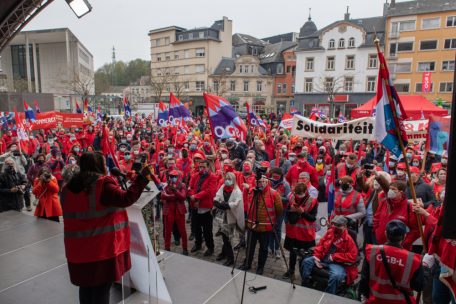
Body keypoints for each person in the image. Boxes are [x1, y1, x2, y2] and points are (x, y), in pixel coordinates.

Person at [61, 152, 150, 304]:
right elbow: (125, 198)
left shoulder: (67, 188)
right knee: (101, 290)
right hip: (101, 250)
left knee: (86, 287)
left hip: (77, 250)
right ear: (99, 165)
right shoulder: (102, 185)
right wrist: (142, 179)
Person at [359, 220, 424, 304]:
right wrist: (425, 269)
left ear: (386, 234)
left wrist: (363, 296)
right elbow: (419, 286)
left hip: (375, 300)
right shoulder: (413, 259)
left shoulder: (372, 251)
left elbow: (364, 279)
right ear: (404, 237)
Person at [300, 215, 358, 295]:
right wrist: (317, 256)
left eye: (338, 225)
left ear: (344, 226)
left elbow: (353, 256)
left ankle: (329, 296)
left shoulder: (349, 240)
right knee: (306, 261)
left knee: (336, 276)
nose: (335, 227)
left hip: (337, 264)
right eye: (334, 224)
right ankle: (305, 286)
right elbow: (320, 245)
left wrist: (335, 256)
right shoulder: (330, 232)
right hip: (323, 258)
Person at [239, 175, 283, 275]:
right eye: (259, 182)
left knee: (263, 248)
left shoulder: (274, 194)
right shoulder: (252, 191)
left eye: (263, 181)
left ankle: (260, 267)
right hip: (252, 225)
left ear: (267, 182)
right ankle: (247, 263)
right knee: (250, 247)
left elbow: (279, 210)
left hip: (265, 227)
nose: (261, 183)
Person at [283, 183, 318, 280]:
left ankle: (304, 273)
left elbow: (313, 218)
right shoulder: (291, 197)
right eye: (296, 194)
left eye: (300, 194)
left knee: (304, 255)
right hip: (293, 232)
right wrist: (290, 210)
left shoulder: (313, 201)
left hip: (305, 234)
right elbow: (286, 211)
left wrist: (302, 213)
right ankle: (291, 271)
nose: (298, 196)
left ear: (305, 192)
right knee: (292, 253)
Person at [213, 172, 244, 266]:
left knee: (227, 238)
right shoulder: (223, 187)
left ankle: (231, 258)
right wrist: (217, 203)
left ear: (234, 180)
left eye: (229, 179)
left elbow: (236, 203)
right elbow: (217, 197)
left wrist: (226, 205)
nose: (227, 180)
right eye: (226, 178)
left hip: (232, 217)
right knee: (224, 235)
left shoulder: (237, 191)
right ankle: (224, 253)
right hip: (223, 216)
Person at [188, 159, 217, 256]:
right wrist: (193, 197)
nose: (201, 168)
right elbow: (191, 187)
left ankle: (210, 247)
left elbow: (209, 191)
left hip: (206, 207)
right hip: (195, 206)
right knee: (196, 227)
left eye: (203, 167)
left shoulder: (213, 177)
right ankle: (198, 244)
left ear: (208, 167)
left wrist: (196, 197)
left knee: (207, 229)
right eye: (200, 166)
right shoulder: (195, 175)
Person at [160, 169, 188, 255]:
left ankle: (185, 248)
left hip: (179, 211)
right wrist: (174, 196)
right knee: (167, 231)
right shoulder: (166, 185)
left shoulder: (182, 185)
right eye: (171, 176)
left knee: (182, 231)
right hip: (169, 210)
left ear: (178, 177)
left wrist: (174, 191)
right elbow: (162, 196)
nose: (173, 178)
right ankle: (167, 247)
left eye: (175, 176)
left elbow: (183, 197)